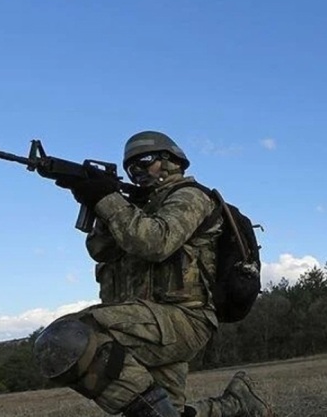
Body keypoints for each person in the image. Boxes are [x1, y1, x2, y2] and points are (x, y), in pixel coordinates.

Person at [31, 131, 272, 417]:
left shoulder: (190, 197)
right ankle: (239, 405)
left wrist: (107, 199)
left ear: (171, 160)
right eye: (131, 167)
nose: (138, 171)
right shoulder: (137, 208)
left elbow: (155, 242)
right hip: (149, 320)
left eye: (145, 161)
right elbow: (100, 250)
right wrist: (98, 198)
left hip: (183, 318)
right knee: (170, 411)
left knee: (68, 338)